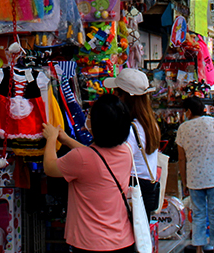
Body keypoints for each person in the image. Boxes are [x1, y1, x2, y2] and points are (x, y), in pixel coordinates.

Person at [43, 94, 136, 253]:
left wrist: (51, 138)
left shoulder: (81, 158)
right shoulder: (126, 151)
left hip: (91, 243)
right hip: (123, 240)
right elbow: (93, 158)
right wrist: (67, 140)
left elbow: (50, 167)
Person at [106, 68, 161, 220]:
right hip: (145, 188)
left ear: (125, 97)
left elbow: (116, 160)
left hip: (133, 189)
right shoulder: (149, 123)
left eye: (117, 93)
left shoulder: (131, 129)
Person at [175, 97, 214, 253]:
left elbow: (181, 158)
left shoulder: (183, 128)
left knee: (198, 214)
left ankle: (199, 248)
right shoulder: (212, 122)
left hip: (194, 179)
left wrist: (184, 182)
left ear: (189, 111)